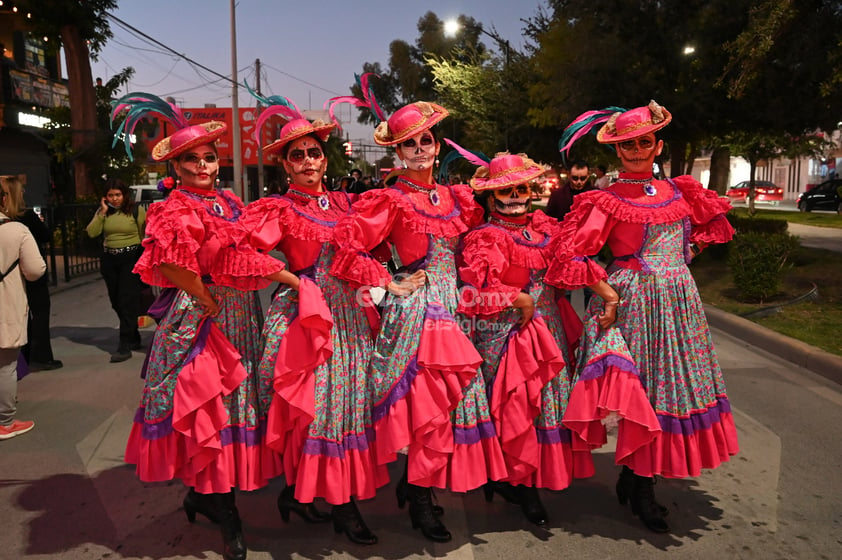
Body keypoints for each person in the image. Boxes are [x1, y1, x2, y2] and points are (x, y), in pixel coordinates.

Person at [113, 93, 295, 560]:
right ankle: (224, 509)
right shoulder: (171, 208)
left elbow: (250, 248)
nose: (201, 165)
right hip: (203, 317)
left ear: (218, 162)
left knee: (238, 406)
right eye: (190, 159)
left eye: (208, 157)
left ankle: (208, 498)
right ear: (176, 166)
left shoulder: (229, 203)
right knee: (211, 407)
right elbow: (168, 264)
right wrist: (205, 294)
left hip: (240, 313)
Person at [547, 100, 739, 533]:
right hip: (630, 304)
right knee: (641, 394)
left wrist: (679, 260)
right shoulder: (605, 199)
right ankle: (641, 484)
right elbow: (570, 253)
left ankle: (637, 479)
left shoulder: (681, 192)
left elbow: (703, 234)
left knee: (669, 389)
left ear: (658, 144)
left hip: (677, 303)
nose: (636, 150)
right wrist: (606, 289)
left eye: (644, 142)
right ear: (617, 152)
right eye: (627, 144)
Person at [331, 101, 506, 543]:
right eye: (409, 143)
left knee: (452, 403)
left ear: (437, 144)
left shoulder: (455, 197)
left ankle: (418, 486)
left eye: (425, 140)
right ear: (398, 152)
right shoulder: (390, 199)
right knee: (429, 408)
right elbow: (348, 247)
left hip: (454, 305)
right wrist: (389, 283)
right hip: (419, 313)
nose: (419, 149)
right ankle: (422, 498)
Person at [241, 93, 384, 545]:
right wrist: (294, 280)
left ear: (326, 159)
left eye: (313, 152)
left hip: (348, 316)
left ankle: (301, 496)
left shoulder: (346, 204)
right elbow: (245, 252)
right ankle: (342, 506)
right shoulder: (278, 209)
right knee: (316, 410)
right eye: (296, 154)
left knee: (346, 407)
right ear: (285, 165)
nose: (307, 161)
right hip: (306, 319)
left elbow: (370, 247)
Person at [453, 148, 595, 526]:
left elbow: (571, 266)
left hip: (548, 330)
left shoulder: (548, 228)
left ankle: (520, 480)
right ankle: (520, 485)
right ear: (490, 196)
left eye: (521, 188)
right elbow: (475, 288)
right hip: (506, 332)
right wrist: (517, 298)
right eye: (505, 191)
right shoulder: (483, 236)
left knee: (546, 407)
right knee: (516, 408)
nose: (515, 197)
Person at [0, 176, 46, 440]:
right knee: (5, 365)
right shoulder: (16, 230)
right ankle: (5, 422)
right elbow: (35, 270)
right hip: (6, 305)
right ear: (4, 200)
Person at [1, 176, 62, 371]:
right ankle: (42, 356)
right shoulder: (25, 218)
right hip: (30, 273)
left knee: (19, 315)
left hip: (9, 276)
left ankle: (22, 358)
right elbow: (46, 236)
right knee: (40, 313)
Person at [85, 178, 147, 362]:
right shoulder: (104, 212)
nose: (115, 199)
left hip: (131, 258)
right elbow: (92, 232)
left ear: (124, 194)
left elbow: (145, 236)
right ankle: (133, 335)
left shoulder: (136, 210)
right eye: (110, 195)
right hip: (110, 259)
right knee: (116, 301)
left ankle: (124, 343)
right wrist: (103, 212)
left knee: (126, 299)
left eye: (118, 195)